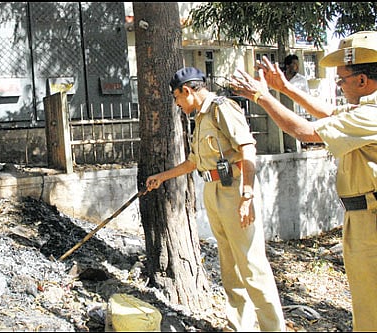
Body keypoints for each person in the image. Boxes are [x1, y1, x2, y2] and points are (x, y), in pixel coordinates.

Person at [229, 30, 377, 332]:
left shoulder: (371, 114)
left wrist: (262, 97)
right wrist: (285, 89)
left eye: (342, 79)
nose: (339, 85)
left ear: (362, 80)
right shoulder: (365, 108)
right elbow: (329, 114)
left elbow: (306, 132)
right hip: (362, 216)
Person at [145, 67, 286, 332]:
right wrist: (162, 177)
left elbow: (247, 149)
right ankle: (239, 327)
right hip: (213, 191)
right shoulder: (200, 118)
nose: (177, 104)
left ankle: (273, 328)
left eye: (177, 98)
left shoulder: (223, 108)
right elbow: (195, 162)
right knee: (230, 267)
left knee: (252, 267)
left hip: (235, 191)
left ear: (187, 91)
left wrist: (247, 194)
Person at [283, 54, 310, 118]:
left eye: (298, 64)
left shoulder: (302, 80)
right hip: (283, 113)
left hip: (299, 114)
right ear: (287, 66)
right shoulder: (280, 78)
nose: (297, 66)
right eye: (294, 64)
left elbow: (307, 97)